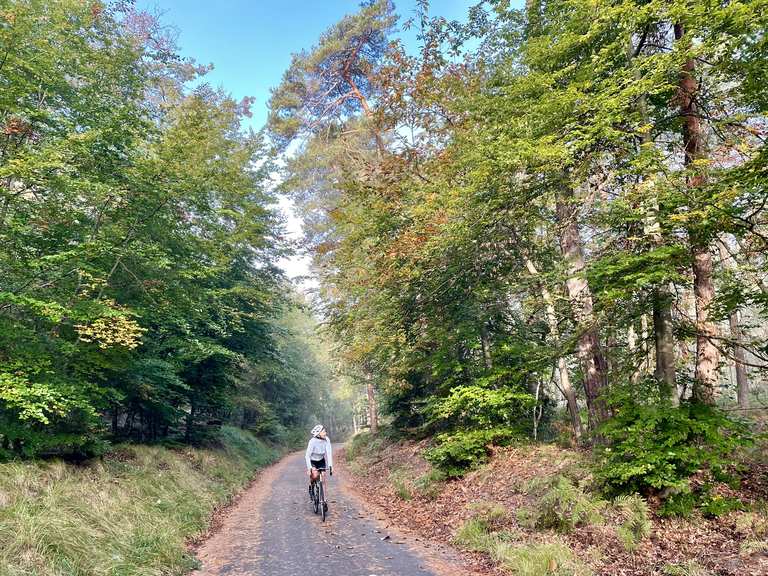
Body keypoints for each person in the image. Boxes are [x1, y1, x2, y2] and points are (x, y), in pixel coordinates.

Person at [306, 424, 333, 503]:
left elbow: (329, 453)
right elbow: (307, 456)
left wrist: (331, 465)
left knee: (323, 477)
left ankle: (324, 499)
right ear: (318, 433)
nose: (325, 433)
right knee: (315, 475)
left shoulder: (327, 439)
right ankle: (311, 486)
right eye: (324, 432)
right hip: (312, 461)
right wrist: (310, 468)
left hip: (321, 460)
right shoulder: (312, 441)